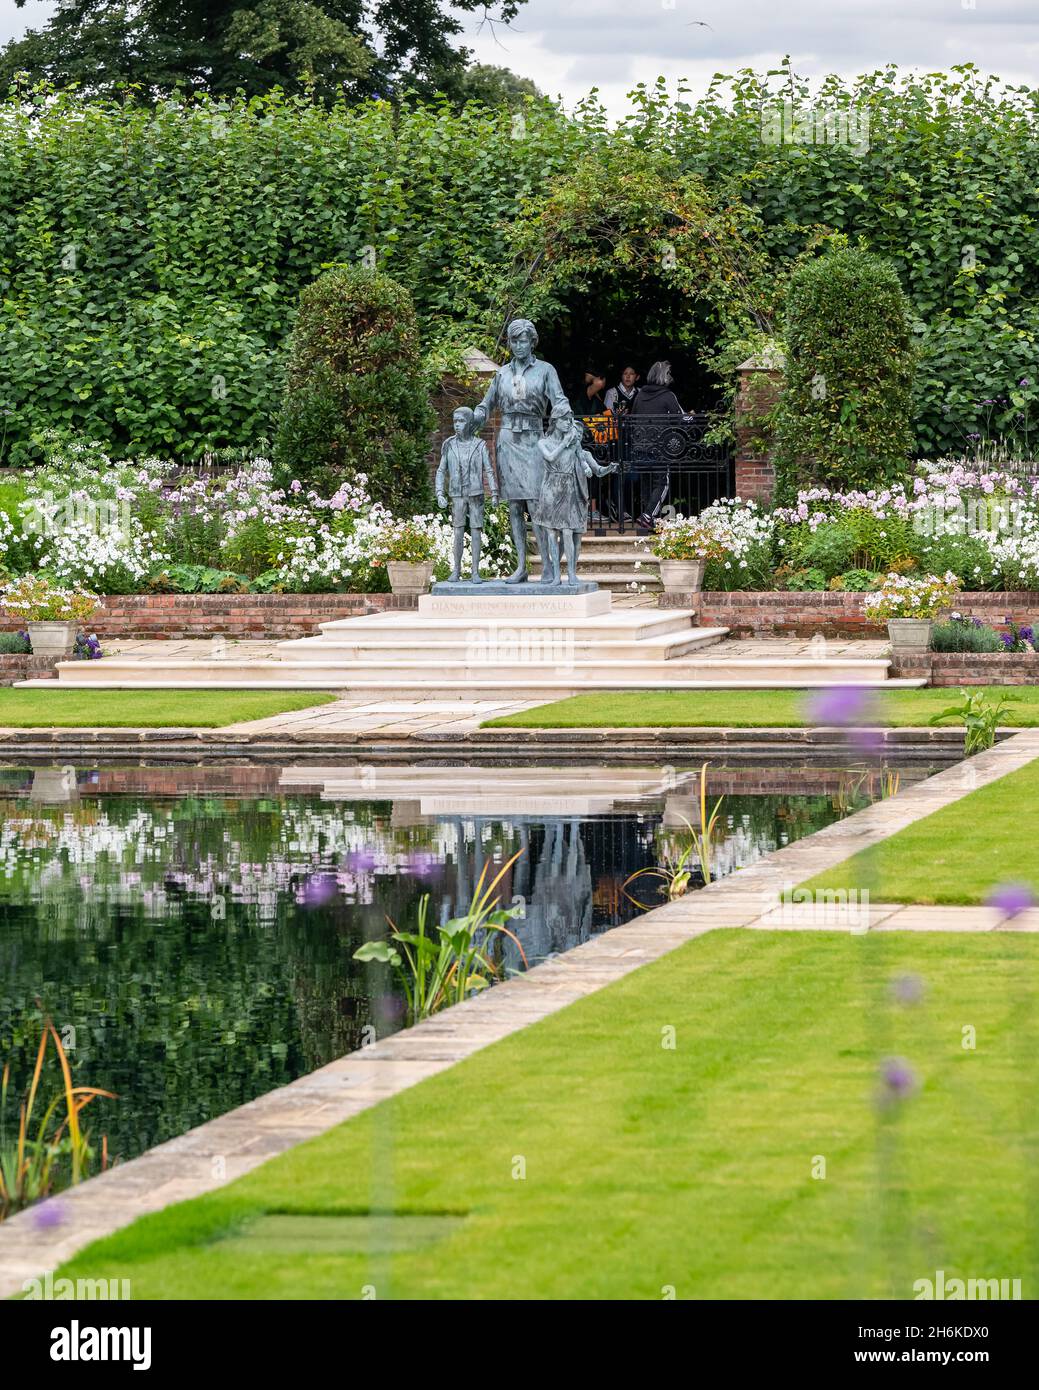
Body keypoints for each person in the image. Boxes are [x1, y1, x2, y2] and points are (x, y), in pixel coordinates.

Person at [472, 318, 569, 583]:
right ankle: (521, 566)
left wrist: (565, 431)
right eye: (513, 341)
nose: (518, 345)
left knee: (537, 503)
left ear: (532, 341)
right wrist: (475, 416)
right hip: (508, 440)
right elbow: (486, 404)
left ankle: (549, 565)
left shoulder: (545, 370)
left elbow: (559, 403)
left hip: (535, 439)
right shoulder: (501, 374)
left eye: (523, 340)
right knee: (514, 505)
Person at [532, 406, 618, 585]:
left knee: (567, 532)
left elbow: (584, 461)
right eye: (565, 420)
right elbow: (549, 458)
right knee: (551, 534)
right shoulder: (543, 442)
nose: (568, 424)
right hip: (550, 489)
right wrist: (564, 443)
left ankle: (571, 573)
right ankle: (556, 575)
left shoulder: (574, 444)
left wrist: (595, 468)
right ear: (555, 421)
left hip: (568, 489)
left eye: (570, 420)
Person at [435, 406, 498, 583]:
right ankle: (456, 570)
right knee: (458, 532)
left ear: (470, 423)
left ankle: (475, 572)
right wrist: (440, 492)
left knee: (476, 531)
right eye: (455, 421)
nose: (457, 425)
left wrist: (494, 492)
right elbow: (441, 471)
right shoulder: (449, 445)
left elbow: (489, 470)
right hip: (457, 494)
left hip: (476, 494)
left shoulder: (480, 445)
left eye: (461, 421)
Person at [629, 360, 687, 530]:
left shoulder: (639, 395)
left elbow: (632, 418)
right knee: (662, 483)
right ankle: (648, 516)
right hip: (660, 447)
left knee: (647, 483)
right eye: (668, 374)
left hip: (640, 446)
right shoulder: (667, 395)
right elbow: (680, 418)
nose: (670, 377)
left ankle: (649, 520)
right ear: (663, 377)